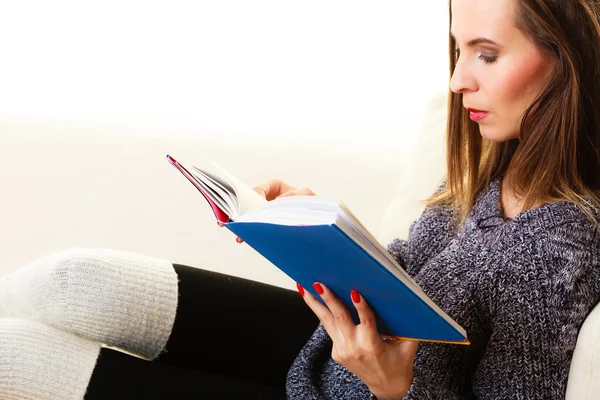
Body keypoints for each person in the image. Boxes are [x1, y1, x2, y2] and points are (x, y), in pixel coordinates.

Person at [2, 0, 600, 398]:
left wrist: (394, 392)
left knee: (17, 356)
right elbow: (427, 281)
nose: (457, 80)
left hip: (357, 387)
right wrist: (323, 232)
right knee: (74, 282)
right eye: (460, 50)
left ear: (568, 63)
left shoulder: (557, 251)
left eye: (487, 55)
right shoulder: (501, 167)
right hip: (322, 359)